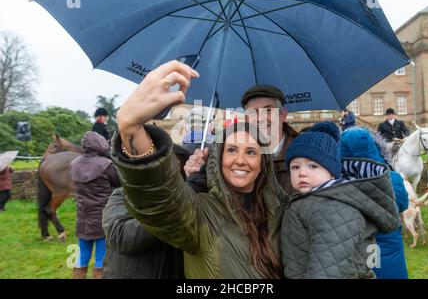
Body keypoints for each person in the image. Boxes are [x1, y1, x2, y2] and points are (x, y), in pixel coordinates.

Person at [112, 60, 287, 278]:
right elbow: (161, 200)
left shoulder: (282, 209)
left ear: (262, 164)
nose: (240, 160)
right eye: (231, 150)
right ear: (217, 159)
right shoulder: (202, 212)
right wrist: (132, 129)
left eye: (251, 152)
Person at [281, 121, 401, 279]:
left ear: (332, 172)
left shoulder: (334, 208)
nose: (302, 172)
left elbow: (328, 270)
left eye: (313, 166)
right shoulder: (312, 200)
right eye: (295, 167)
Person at [184, 84, 298, 193]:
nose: (260, 118)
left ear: (283, 115)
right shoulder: (221, 155)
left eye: (268, 110)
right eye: (253, 112)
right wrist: (195, 178)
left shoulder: (303, 153)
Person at [102, 144, 192, 279]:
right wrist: (172, 207)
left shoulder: (188, 196)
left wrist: (194, 185)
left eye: (175, 163)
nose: (167, 169)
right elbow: (122, 238)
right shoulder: (123, 195)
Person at [341, 127, 409, 279]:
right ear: (376, 147)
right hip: (390, 259)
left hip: (353, 259)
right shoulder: (393, 179)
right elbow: (403, 205)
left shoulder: (334, 182)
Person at [70, 131, 121, 279]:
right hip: (102, 218)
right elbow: (119, 182)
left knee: (82, 255)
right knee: (101, 257)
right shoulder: (106, 165)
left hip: (83, 217)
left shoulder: (74, 163)